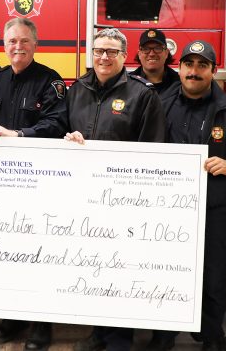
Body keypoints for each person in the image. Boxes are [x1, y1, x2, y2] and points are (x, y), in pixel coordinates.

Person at [153, 40, 226, 351]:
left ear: (213, 71)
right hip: (169, 212)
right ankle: (163, 336)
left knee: (213, 277)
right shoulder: (159, 106)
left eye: (202, 65)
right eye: (189, 65)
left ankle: (211, 335)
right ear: (179, 69)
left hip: (215, 210)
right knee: (166, 274)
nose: (194, 71)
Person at [67, 28, 165, 351]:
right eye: (98, 51)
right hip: (83, 198)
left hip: (123, 204)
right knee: (93, 269)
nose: (104, 57)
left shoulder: (143, 95)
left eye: (111, 52)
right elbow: (60, 131)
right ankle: (99, 332)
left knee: (120, 273)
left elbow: (153, 151)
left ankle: (119, 339)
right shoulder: (76, 90)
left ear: (125, 57)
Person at [0, 17, 68, 350]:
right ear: (4, 44)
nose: (18, 47)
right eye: (12, 41)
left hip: (39, 185)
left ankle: (41, 324)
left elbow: (58, 123)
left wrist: (19, 135)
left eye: (24, 42)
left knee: (40, 253)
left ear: (35, 44)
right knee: (6, 253)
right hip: (0, 184)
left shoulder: (51, 82)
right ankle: (12, 317)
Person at [130, 29, 179, 99]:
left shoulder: (180, 83)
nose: (152, 54)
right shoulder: (128, 83)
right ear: (139, 54)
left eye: (158, 48)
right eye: (146, 49)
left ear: (166, 53)